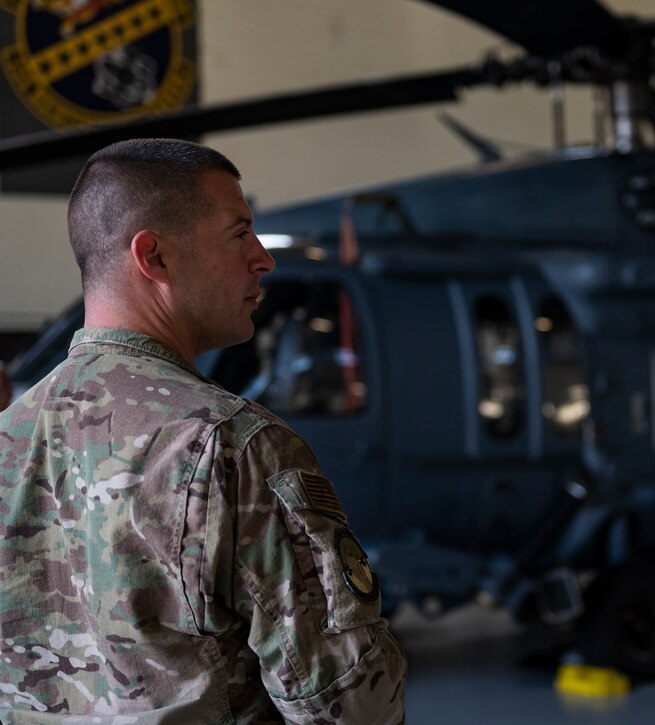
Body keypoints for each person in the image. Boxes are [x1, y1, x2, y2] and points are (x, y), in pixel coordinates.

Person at [0, 139, 406, 723]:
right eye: (239, 233)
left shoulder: (11, 435)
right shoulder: (231, 445)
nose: (263, 258)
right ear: (155, 257)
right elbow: (351, 705)